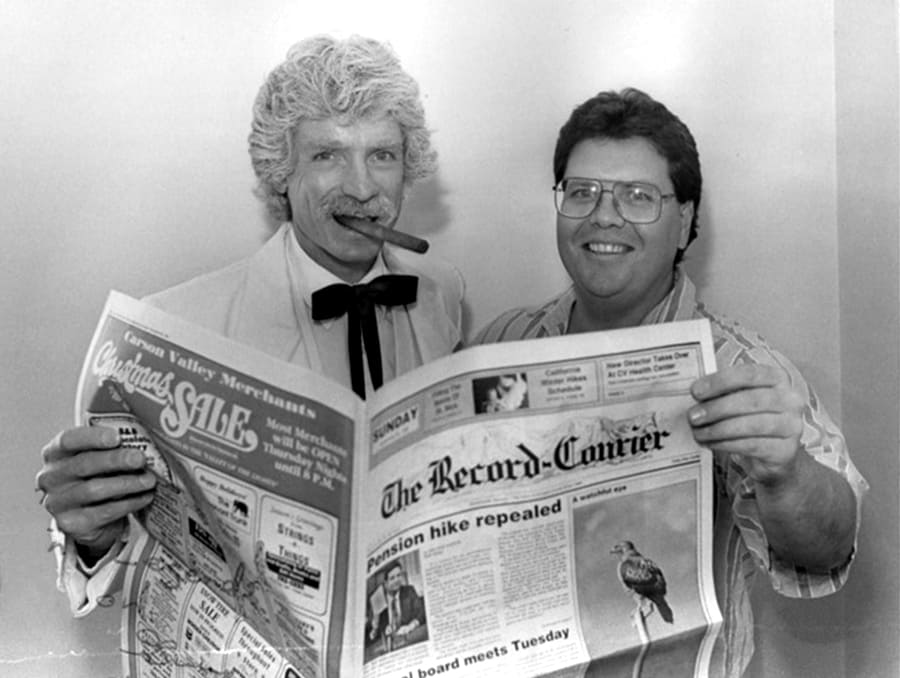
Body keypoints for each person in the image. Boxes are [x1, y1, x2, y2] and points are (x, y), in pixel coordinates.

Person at [36, 34, 463, 618]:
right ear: (279, 174)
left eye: (381, 155)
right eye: (327, 155)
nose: (362, 189)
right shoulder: (173, 329)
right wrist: (92, 535)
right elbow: (136, 564)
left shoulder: (443, 294)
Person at [473, 88, 868, 677]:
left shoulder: (739, 369)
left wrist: (788, 474)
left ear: (684, 220)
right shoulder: (501, 342)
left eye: (638, 197)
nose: (604, 216)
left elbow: (830, 547)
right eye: (582, 193)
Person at [368, 559, 426, 653]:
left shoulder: (409, 591)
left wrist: (411, 626)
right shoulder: (379, 602)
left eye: (399, 575)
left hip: (411, 641)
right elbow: (375, 634)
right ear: (385, 583)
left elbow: (422, 613)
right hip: (392, 648)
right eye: (392, 578)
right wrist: (378, 630)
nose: (397, 580)